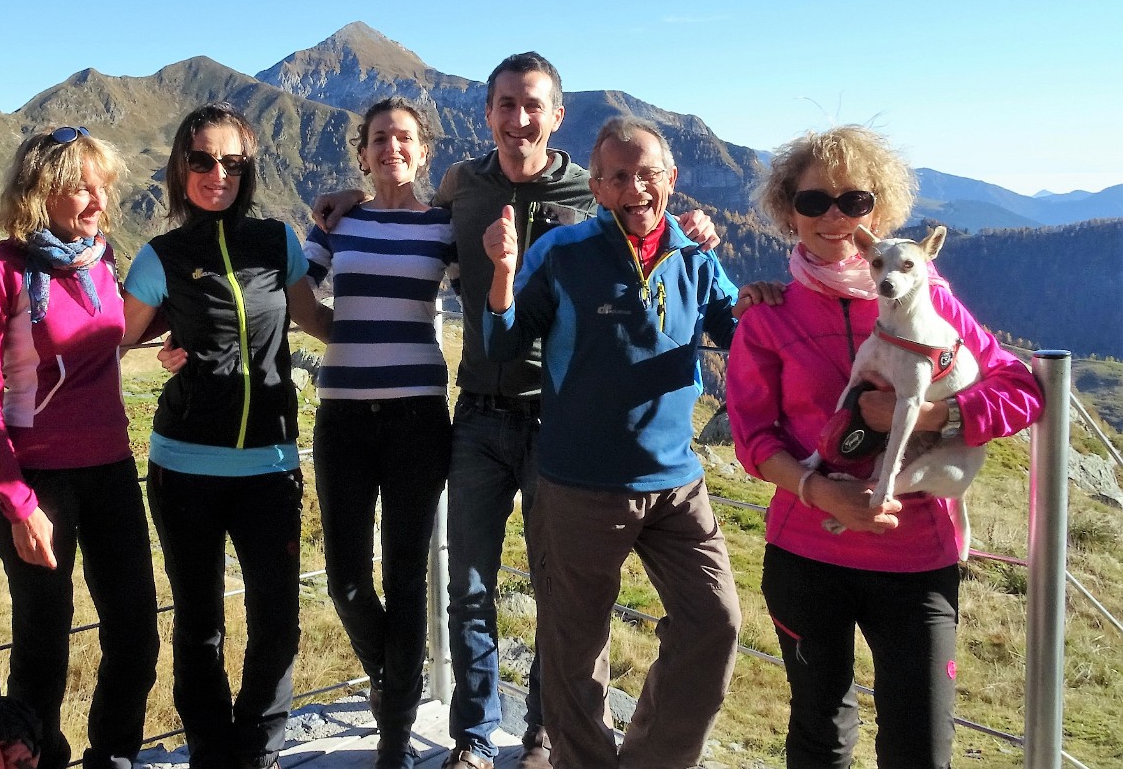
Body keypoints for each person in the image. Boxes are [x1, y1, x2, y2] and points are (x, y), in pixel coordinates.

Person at [314, 52, 721, 769]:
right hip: (477, 412)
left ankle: (540, 735)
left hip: (560, 421)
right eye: (505, 104)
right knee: (468, 584)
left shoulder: (589, 189)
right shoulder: (462, 185)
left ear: (556, 116)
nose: (518, 117)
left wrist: (696, 229)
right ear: (489, 113)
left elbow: (646, 222)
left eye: (533, 104)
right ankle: (473, 736)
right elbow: (404, 215)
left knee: (556, 591)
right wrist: (351, 195)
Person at [726, 125, 1044, 769]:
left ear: (881, 212)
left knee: (921, 747)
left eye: (855, 201)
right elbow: (753, 439)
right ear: (790, 212)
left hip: (916, 560)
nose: (835, 217)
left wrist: (932, 415)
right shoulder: (768, 315)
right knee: (820, 738)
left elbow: (1022, 391)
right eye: (814, 202)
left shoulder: (937, 307)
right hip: (806, 554)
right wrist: (824, 493)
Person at [482, 115, 760, 769]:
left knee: (715, 624)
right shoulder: (564, 252)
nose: (635, 187)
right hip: (578, 483)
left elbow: (744, 335)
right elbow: (502, 344)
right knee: (575, 652)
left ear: (671, 179)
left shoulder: (696, 256)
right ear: (598, 187)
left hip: (676, 483)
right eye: (617, 177)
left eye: (647, 174)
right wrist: (501, 269)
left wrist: (784, 303)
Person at [122, 102, 329, 769]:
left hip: (268, 462)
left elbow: (315, 321)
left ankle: (259, 747)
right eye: (202, 160)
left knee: (277, 619)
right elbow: (116, 336)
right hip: (183, 465)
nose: (218, 174)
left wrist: (401, 327)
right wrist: (161, 343)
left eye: (233, 162)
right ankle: (213, 753)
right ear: (181, 167)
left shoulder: (278, 241)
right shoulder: (161, 254)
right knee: (200, 625)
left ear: (249, 169)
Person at [0, 125, 158, 769]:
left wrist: (172, 346)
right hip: (39, 480)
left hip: (111, 468)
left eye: (103, 186)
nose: (98, 200)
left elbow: (109, 345)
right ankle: (37, 759)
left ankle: (114, 754)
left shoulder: (99, 259)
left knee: (134, 628)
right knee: (43, 645)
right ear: (40, 191)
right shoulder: (1, 270)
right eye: (81, 187)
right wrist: (17, 503)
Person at [302, 98, 458, 769]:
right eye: (378, 138)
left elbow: (489, 288)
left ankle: (394, 737)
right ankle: (400, 683)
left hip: (418, 420)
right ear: (361, 152)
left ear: (423, 151)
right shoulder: (337, 221)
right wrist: (350, 336)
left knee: (404, 574)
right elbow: (301, 297)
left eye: (404, 137)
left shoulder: (445, 226)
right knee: (345, 580)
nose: (391, 145)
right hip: (343, 419)